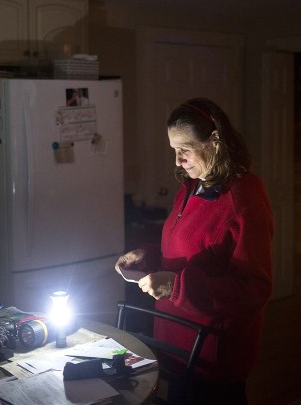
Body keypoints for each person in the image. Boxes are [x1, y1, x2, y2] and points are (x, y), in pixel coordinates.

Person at [115, 98, 274, 404]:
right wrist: (145, 255)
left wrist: (176, 286)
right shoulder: (192, 186)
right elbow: (186, 248)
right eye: (174, 150)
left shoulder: (244, 197)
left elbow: (255, 288)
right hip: (175, 340)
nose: (177, 160)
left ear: (215, 141)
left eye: (184, 149)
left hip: (211, 354)